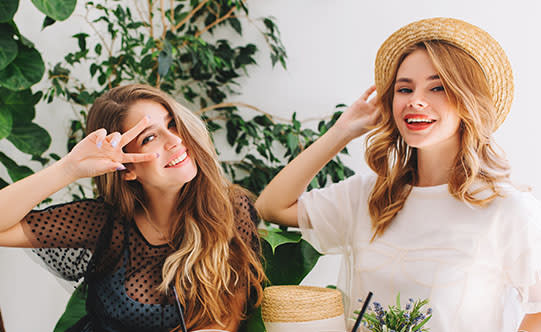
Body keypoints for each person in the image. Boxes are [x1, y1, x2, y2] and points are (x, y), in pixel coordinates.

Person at [255, 17, 541, 331]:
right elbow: (272, 206)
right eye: (404, 89)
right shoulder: (369, 196)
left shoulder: (507, 209)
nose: (415, 100)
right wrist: (341, 132)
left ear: (467, 101)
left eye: (438, 87)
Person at [0, 84, 265, 332]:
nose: (174, 141)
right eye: (150, 138)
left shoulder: (232, 210)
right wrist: (69, 169)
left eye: (173, 124)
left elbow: (225, 320)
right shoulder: (104, 222)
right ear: (126, 169)